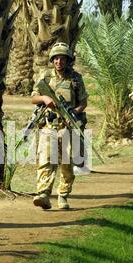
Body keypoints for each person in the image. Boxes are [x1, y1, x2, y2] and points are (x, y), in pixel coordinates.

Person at [31, 42, 88, 210]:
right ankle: (43, 194)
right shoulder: (46, 77)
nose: (58, 62)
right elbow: (34, 97)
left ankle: (63, 195)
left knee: (66, 163)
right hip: (49, 125)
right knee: (45, 160)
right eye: (56, 58)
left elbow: (83, 102)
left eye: (62, 59)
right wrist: (44, 99)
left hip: (67, 127)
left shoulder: (75, 78)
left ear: (68, 60)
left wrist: (74, 113)